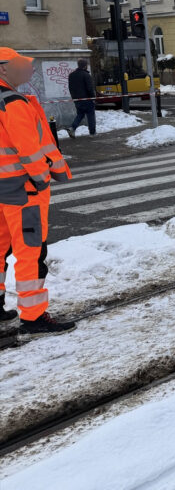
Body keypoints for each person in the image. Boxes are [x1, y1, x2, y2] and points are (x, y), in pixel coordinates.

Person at [0, 48, 75, 338]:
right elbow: (29, 148)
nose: (28, 69)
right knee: (30, 252)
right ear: (3, 69)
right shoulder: (13, 102)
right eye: (21, 64)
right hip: (22, 189)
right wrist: (42, 179)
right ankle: (33, 317)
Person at [66, 58, 97, 137]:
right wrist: (93, 98)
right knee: (90, 115)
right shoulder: (86, 75)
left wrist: (74, 98)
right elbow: (90, 88)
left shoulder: (71, 75)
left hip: (77, 100)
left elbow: (70, 88)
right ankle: (92, 133)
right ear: (85, 66)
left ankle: (72, 128)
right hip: (87, 99)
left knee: (80, 114)